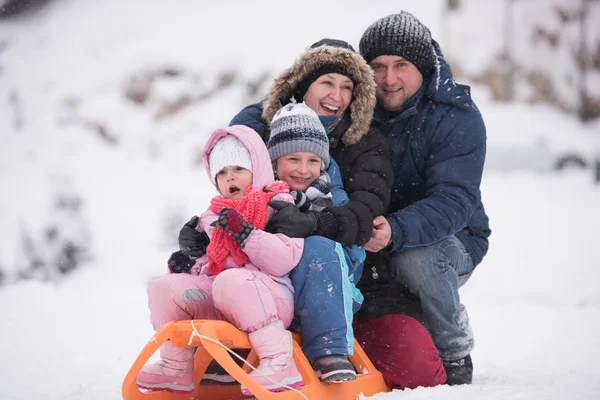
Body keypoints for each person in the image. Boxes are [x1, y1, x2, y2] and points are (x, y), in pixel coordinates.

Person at [354, 11, 492, 386]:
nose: (389, 79)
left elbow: (454, 201)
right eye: (378, 67)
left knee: (417, 258)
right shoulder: (356, 103)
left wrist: (395, 230)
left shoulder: (455, 115)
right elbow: (287, 103)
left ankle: (453, 348)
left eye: (401, 65)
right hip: (373, 234)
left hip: (452, 238)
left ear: (423, 65)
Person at [136, 125, 304, 396]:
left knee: (231, 281)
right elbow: (209, 266)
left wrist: (247, 235)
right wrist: (187, 265)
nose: (230, 177)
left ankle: (279, 361)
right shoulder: (211, 216)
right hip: (221, 296)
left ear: (256, 168)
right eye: (222, 173)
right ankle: (175, 366)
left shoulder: (279, 204)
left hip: (271, 298)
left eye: (237, 168)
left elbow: (285, 259)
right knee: (164, 287)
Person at [266, 101, 366, 383]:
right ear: (275, 161)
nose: (303, 170)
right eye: (293, 160)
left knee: (319, 248)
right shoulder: (261, 194)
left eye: (312, 160)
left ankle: (329, 350)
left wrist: (312, 228)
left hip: (329, 289)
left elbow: (352, 250)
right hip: (273, 291)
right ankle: (226, 349)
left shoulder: (331, 198)